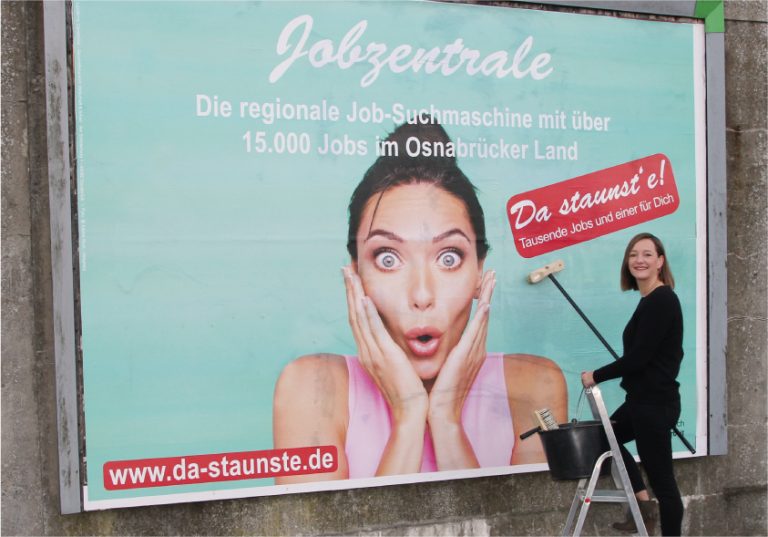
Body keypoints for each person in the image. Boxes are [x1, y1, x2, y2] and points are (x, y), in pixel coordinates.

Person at [273, 119, 567, 484]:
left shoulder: (532, 384)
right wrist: (409, 416)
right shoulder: (313, 385)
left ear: (479, 271)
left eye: (448, 257)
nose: (422, 296)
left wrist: (445, 418)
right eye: (387, 258)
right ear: (356, 277)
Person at [581, 232, 684, 536]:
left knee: (664, 483)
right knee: (603, 438)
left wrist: (596, 375)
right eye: (633, 255)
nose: (639, 260)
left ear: (660, 262)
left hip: (654, 405)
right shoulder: (649, 301)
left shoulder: (662, 300)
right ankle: (642, 505)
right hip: (640, 402)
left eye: (647, 254)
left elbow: (639, 357)